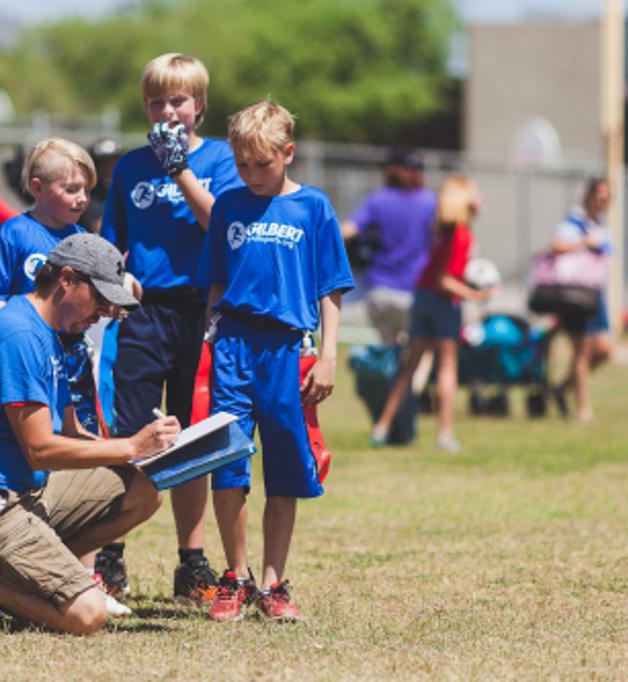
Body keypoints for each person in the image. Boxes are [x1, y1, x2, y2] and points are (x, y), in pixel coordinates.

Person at [0, 233, 179, 636]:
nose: (105, 312)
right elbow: (40, 449)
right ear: (68, 279)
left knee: (143, 490)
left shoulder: (51, 332)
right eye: (101, 299)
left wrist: (147, 454)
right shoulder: (20, 336)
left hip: (25, 492)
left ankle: (26, 573)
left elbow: (71, 430)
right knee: (87, 616)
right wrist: (129, 445)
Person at [199, 100, 354, 622]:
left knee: (285, 468)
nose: (251, 175)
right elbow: (216, 279)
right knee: (227, 464)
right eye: (242, 165)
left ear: (287, 153)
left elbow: (332, 288)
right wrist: (211, 336)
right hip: (233, 348)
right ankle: (234, 577)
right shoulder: (227, 206)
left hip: (289, 351)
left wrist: (328, 356)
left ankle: (273, 583)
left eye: (261, 164)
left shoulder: (313, 208)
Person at [99, 52, 244, 605]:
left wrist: (181, 168)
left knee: (192, 439)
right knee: (130, 433)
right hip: (144, 312)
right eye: (157, 101)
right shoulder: (131, 168)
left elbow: (223, 224)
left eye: (178, 100)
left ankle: (192, 561)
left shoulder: (225, 161)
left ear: (199, 107)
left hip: (203, 310)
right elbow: (114, 246)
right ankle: (110, 553)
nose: (167, 110)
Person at [370, 175, 493, 453]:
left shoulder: (441, 230)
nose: (480, 198)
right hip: (442, 303)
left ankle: (383, 427)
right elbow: (445, 280)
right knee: (447, 367)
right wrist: (476, 295)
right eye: (476, 192)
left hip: (421, 298)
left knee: (409, 366)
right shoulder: (461, 234)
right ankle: (444, 434)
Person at [0, 138, 91, 320]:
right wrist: (28, 325)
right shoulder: (14, 233)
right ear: (38, 188)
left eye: (87, 190)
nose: (82, 198)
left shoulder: (83, 238)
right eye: (71, 189)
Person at [341, 147, 435, 345]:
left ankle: (393, 374)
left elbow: (348, 230)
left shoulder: (378, 200)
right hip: (416, 291)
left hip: (381, 290)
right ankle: (410, 377)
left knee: (389, 350)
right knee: (417, 350)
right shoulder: (430, 201)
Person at [550, 178, 613, 423]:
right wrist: (584, 243)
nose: (602, 200)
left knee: (604, 350)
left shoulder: (601, 224)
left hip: (596, 295)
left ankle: (561, 388)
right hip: (576, 295)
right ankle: (584, 410)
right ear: (588, 195)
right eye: (599, 194)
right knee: (582, 352)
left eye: (606, 196)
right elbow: (556, 246)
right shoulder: (574, 222)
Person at [79, 137, 123, 234]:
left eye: (114, 163)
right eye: (104, 164)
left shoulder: (122, 190)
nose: (110, 169)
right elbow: (100, 227)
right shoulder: (85, 194)